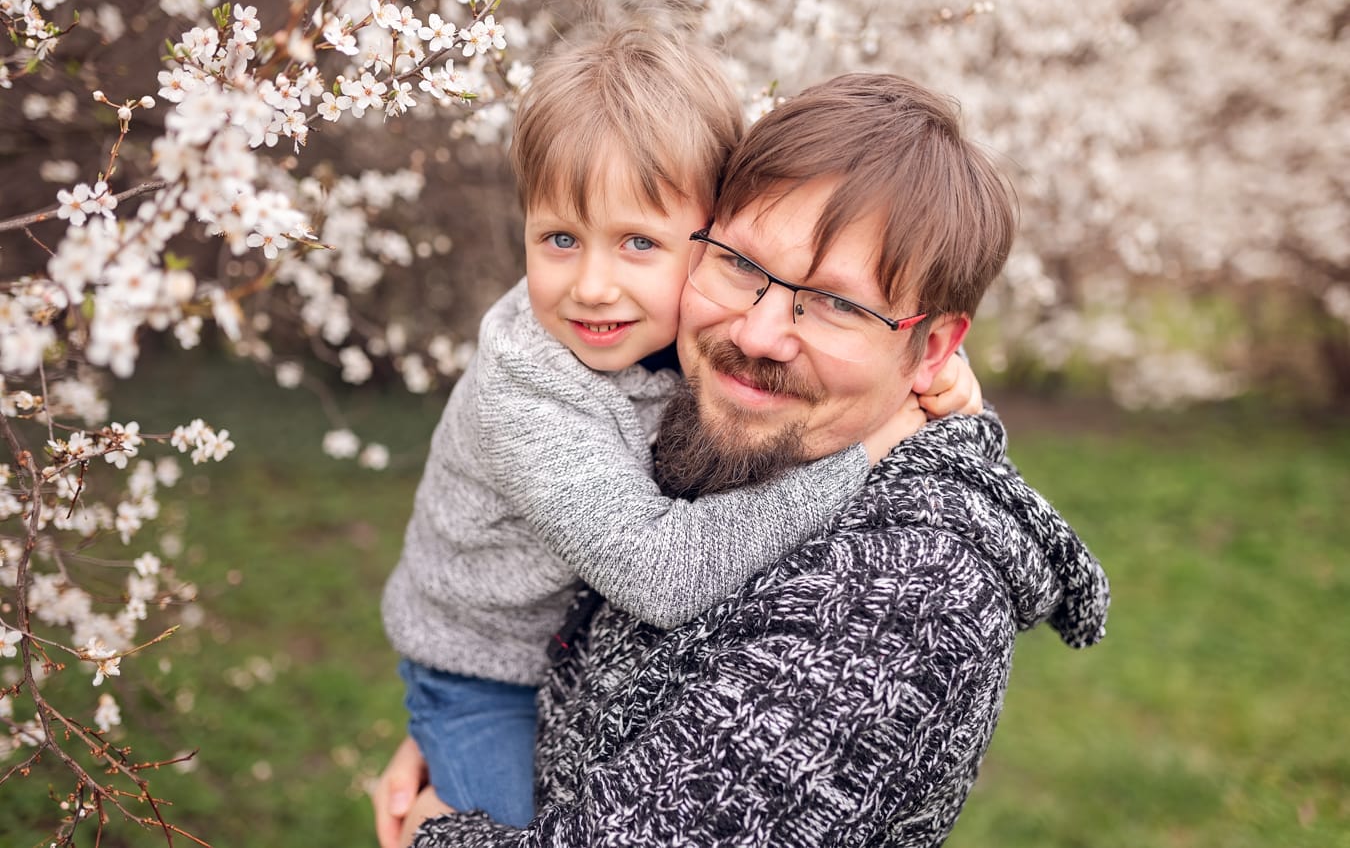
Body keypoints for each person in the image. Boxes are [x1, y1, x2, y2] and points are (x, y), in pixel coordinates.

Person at [376, 70, 1111, 848]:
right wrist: (479, 699)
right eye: (739, 263)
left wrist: (439, 833)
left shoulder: (912, 597)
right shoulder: (704, 419)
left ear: (930, 349)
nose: (758, 334)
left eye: (835, 303)